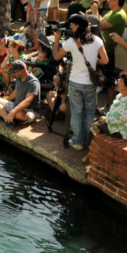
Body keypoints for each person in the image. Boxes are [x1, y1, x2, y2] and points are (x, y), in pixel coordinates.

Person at [53, 13, 109, 150]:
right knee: (89, 112)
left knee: (77, 112)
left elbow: (56, 56)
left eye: (72, 24)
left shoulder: (71, 42)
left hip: (75, 82)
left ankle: (77, 141)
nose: (71, 27)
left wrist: (56, 41)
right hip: (91, 83)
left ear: (77, 25)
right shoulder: (97, 40)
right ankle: (88, 140)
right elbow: (105, 60)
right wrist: (91, 61)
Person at [0, 59, 40, 125]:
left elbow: (28, 101)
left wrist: (13, 112)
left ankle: (5, 115)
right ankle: (7, 119)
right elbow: (16, 91)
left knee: (17, 114)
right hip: (15, 106)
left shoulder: (33, 82)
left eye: (14, 72)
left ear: (19, 72)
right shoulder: (19, 78)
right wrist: (6, 101)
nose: (13, 74)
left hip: (29, 111)